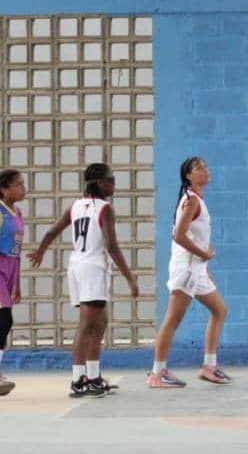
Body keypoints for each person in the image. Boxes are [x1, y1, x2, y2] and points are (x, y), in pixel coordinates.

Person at [29, 163, 139, 398]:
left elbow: (51, 232)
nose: (114, 184)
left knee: (99, 324)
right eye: (111, 180)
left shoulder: (76, 205)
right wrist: (130, 278)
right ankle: (78, 380)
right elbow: (112, 246)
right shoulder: (105, 208)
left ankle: (92, 376)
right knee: (87, 326)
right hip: (92, 268)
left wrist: (41, 250)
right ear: (99, 182)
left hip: (77, 266)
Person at [147, 157, 231, 388]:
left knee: (219, 310)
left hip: (197, 268)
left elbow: (192, 236)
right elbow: (179, 236)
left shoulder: (196, 200)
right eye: (199, 168)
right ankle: (157, 373)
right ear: (188, 176)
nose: (205, 169)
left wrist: (204, 265)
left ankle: (209, 366)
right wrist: (202, 255)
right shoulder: (191, 201)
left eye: (205, 165)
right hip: (187, 268)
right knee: (173, 319)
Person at [0, 169, 26, 396]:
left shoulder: (17, 213)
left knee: (4, 321)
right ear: (4, 189)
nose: (23, 188)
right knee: (4, 319)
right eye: (18, 184)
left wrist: (17, 282)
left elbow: (17, 252)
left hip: (9, 270)